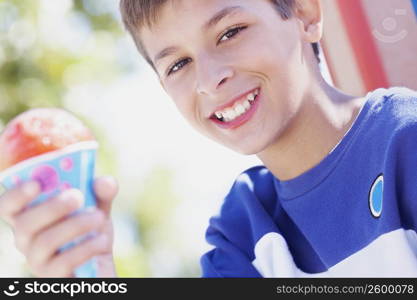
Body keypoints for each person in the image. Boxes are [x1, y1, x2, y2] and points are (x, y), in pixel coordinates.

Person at [1, 0, 416, 277]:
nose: (209, 80)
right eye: (179, 63)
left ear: (305, 12)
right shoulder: (242, 231)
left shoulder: (404, 141)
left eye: (230, 32)